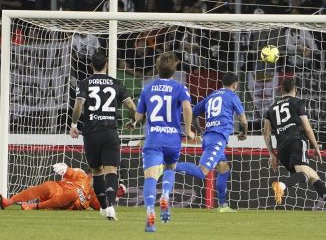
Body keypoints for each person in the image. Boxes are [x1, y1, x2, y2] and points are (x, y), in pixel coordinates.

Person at [126, 52, 194, 232]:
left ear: (157, 68)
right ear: (174, 69)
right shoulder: (180, 87)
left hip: (154, 138)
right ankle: (165, 194)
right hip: (173, 139)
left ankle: (150, 211)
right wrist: (187, 130)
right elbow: (187, 107)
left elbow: (139, 116)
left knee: (150, 177)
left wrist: (133, 122)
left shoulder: (148, 88)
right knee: (170, 168)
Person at [262, 77, 326, 214]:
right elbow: (307, 128)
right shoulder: (298, 102)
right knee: (305, 174)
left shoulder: (271, 108)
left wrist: (272, 154)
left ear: (281, 90)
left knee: (313, 176)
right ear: (295, 89)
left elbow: (266, 133)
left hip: (282, 149)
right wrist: (315, 147)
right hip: (296, 142)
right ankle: (282, 185)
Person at [69, 51, 137, 221]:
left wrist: (74, 125)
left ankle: (104, 207)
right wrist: (134, 122)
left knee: (97, 171)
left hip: (91, 133)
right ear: (106, 64)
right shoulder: (115, 83)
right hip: (110, 132)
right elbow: (132, 106)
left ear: (91, 65)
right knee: (112, 171)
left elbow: (78, 105)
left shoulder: (84, 82)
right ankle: (111, 207)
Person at [176, 72, 248, 212]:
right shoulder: (232, 96)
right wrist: (244, 133)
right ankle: (168, 166)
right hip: (217, 139)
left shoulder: (212, 95)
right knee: (202, 172)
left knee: (224, 169)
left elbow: (193, 113)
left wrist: (200, 131)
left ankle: (223, 206)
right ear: (235, 84)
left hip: (209, 136)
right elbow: (243, 120)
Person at [0, 163, 100, 211]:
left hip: (63, 205)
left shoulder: (92, 195)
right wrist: (64, 168)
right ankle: (8, 202)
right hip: (55, 192)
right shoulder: (81, 174)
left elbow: (100, 207)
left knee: (74, 194)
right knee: (49, 185)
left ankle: (32, 206)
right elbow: (70, 172)